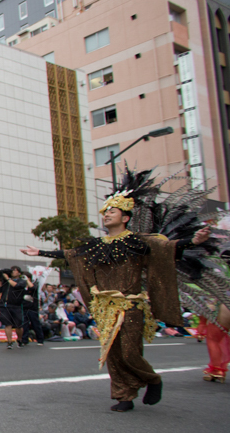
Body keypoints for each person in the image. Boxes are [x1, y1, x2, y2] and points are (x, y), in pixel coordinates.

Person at [21, 170, 213, 412]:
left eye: (112, 211)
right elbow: (71, 256)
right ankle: (124, 395)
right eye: (105, 211)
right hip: (105, 308)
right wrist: (40, 253)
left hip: (130, 305)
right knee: (112, 353)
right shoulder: (97, 246)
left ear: (125, 217)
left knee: (130, 352)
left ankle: (152, 379)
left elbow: (167, 247)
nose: (107, 214)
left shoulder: (138, 241)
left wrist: (193, 242)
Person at [0, 267, 27, 350]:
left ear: (19, 273)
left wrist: (8, 278)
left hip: (16, 305)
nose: (13, 272)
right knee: (7, 324)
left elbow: (16, 286)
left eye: (15, 270)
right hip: (4, 305)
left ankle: (19, 339)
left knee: (18, 325)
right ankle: (9, 341)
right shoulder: (6, 282)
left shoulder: (22, 281)